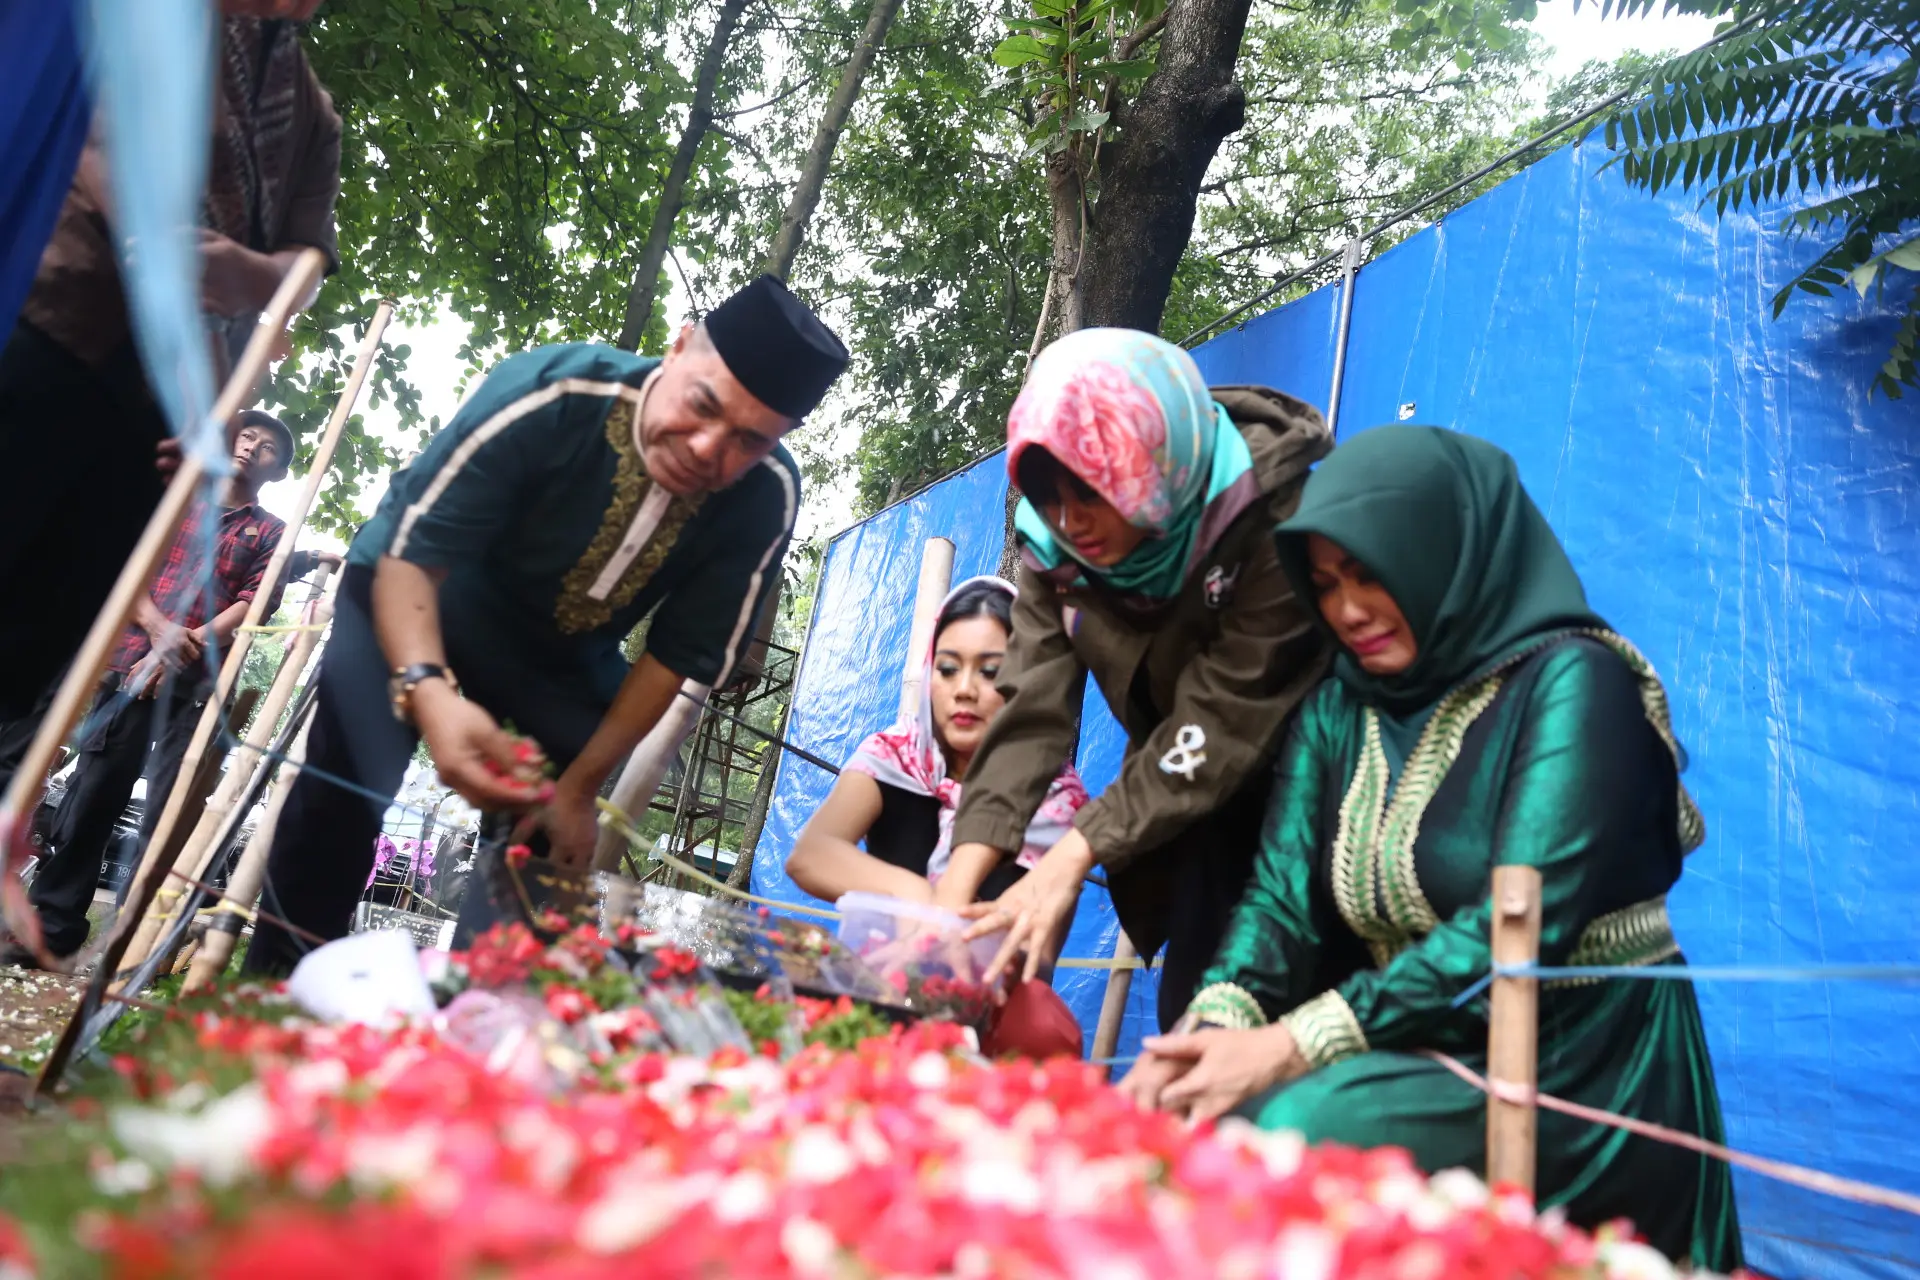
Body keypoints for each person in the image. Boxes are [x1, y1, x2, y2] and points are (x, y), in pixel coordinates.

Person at [1116, 426, 1742, 1270]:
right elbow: (1280, 904)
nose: (1347, 611)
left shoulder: (1575, 684)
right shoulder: (1341, 705)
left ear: (1445, 550)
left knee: (1300, 1132)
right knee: (1209, 1120)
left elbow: (1520, 924)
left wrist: (1287, 1046)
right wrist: (1206, 1029)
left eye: (1372, 573)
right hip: (1416, 1040)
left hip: (1585, 1062)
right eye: (1326, 585)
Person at [240, 274, 849, 976]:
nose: (709, 449)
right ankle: (273, 997)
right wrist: (430, 692)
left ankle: (489, 1023)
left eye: (748, 440)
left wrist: (580, 788)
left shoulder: (766, 496)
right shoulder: (556, 392)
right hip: (414, 594)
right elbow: (414, 549)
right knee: (343, 787)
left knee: (548, 843)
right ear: (678, 348)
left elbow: (675, 654)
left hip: (560, 656)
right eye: (702, 404)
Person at [938, 327, 1333, 1031]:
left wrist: (1070, 859)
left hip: (1312, 792)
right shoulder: (1053, 549)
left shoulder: (1274, 514)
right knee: (1197, 1014)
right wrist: (948, 898)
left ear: (1152, 457)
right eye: (1047, 494)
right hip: (1187, 808)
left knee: (1284, 1022)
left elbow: (1221, 717)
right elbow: (1030, 712)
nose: (1069, 521)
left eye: (1089, 489)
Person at [0, 3, 340, 788]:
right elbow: (85, 127)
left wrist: (243, 273)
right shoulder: (153, 18)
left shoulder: (315, 117)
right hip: (55, 320)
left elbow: (306, 264)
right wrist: (156, 248)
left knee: (41, 628)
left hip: (168, 409)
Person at [0, 412, 334, 965]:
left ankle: (133, 948)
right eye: (248, 435)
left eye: (269, 446)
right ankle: (51, 930)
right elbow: (128, 567)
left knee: (169, 813)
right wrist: (157, 629)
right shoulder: (177, 500)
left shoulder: (270, 530)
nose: (253, 447)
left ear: (278, 472)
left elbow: (256, 599)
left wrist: (188, 642)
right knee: (94, 794)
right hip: (128, 662)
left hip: (198, 684)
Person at [787, 577, 1088, 904]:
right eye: (947, 669)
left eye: (990, 671)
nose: (964, 689)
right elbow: (810, 856)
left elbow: (1035, 944)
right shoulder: (896, 756)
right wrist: (912, 891)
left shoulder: (1054, 796)